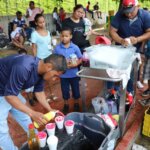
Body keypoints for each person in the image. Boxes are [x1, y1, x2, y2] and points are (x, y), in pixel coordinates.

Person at [0, 53, 67, 150]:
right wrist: (32, 113)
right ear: (49, 67)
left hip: (9, 90)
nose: (54, 79)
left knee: (25, 118)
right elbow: (9, 96)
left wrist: (50, 109)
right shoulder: (23, 67)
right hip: (5, 93)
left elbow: (39, 91)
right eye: (55, 75)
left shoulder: (41, 70)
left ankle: (37, 142)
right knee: (2, 131)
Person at [109, 0, 150, 96]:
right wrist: (121, 40)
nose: (128, 14)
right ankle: (115, 90)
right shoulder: (119, 15)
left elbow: (149, 32)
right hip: (121, 47)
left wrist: (137, 39)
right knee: (118, 68)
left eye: (131, 11)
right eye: (126, 12)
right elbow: (112, 31)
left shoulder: (145, 15)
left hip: (137, 46)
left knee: (133, 68)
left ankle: (130, 91)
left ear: (138, 6)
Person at [54, 27, 82, 114]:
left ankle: (76, 104)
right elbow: (54, 59)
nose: (64, 38)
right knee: (65, 90)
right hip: (63, 75)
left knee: (76, 90)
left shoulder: (75, 47)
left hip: (74, 74)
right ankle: (66, 104)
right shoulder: (57, 48)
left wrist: (76, 64)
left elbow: (80, 58)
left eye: (66, 36)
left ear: (70, 36)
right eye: (62, 36)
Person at [31, 14, 57, 101]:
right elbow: (34, 47)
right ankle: (41, 96)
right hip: (40, 59)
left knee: (49, 77)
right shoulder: (34, 34)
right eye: (40, 22)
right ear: (36, 23)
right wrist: (35, 60)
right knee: (41, 79)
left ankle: (51, 93)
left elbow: (49, 44)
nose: (42, 24)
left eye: (43, 22)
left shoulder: (48, 32)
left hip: (49, 57)